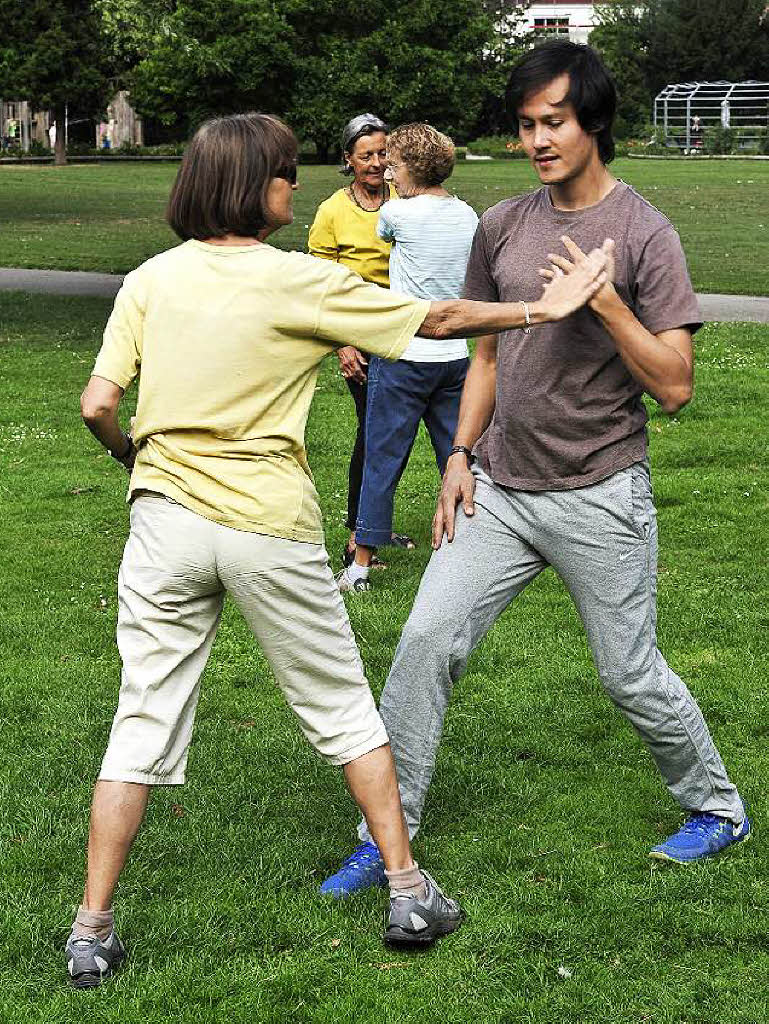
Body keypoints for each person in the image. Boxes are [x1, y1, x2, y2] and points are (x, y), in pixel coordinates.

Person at [66, 111, 609, 986]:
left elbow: (97, 403)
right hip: (264, 525)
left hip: (161, 522)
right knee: (343, 705)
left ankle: (91, 928)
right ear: (254, 187)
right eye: (284, 173)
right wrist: (541, 306)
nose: (293, 184)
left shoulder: (148, 281)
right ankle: (406, 890)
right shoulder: (298, 281)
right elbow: (434, 317)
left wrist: (142, 463)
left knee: (142, 719)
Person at [322, 40, 750, 898]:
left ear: (592, 122)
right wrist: (457, 454)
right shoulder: (503, 226)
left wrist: (604, 304)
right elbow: (483, 361)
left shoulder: (643, 233)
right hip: (501, 489)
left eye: (552, 122)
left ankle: (717, 806)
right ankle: (389, 830)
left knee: (627, 670)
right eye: (525, 125)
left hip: (599, 488)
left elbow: (673, 387)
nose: (537, 140)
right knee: (423, 641)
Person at [337, 123, 479, 594]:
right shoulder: (467, 215)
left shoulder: (396, 212)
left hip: (402, 353)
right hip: (454, 356)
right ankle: (472, 550)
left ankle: (360, 564)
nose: (388, 173)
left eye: (393, 165)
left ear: (412, 169)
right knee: (457, 457)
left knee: (383, 457)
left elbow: (384, 233)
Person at [308, 114, 413, 568]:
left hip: (407, 327)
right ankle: (357, 535)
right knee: (376, 432)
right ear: (348, 160)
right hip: (360, 334)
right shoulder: (333, 211)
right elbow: (321, 286)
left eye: (382, 153)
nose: (376, 162)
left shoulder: (407, 198)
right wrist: (344, 346)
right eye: (366, 154)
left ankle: (374, 524)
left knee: (396, 433)